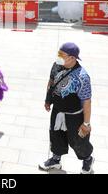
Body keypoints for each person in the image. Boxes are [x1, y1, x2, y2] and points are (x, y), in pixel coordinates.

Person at [39, 42, 94, 174]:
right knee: (56, 135)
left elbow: (87, 101)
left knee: (77, 141)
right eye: (58, 54)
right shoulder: (56, 65)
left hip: (74, 115)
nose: (59, 57)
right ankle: (56, 160)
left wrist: (86, 123)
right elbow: (51, 82)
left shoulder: (82, 77)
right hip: (57, 111)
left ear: (72, 58)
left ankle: (87, 160)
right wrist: (48, 100)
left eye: (62, 55)